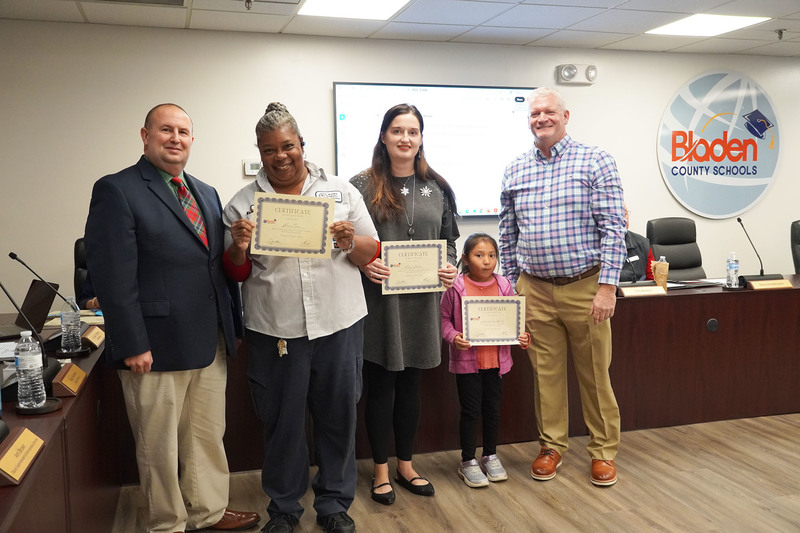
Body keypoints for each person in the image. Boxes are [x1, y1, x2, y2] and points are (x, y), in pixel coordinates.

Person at [84, 103, 260, 532]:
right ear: (145, 135)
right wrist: (131, 343)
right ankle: (166, 523)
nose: (175, 138)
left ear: (192, 140)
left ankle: (208, 511)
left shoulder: (206, 191)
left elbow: (214, 264)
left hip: (209, 340)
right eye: (166, 130)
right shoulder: (117, 189)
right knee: (158, 445)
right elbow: (111, 276)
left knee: (205, 435)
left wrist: (230, 324)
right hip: (154, 346)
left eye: (183, 131)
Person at [223, 103, 379, 533]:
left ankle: (333, 504)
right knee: (283, 424)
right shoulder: (242, 203)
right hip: (276, 330)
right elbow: (234, 271)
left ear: (301, 145)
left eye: (287, 145)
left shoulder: (343, 192)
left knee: (338, 418)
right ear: (260, 152)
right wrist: (238, 246)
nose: (280, 156)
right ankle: (285, 508)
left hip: (338, 323)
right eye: (270, 149)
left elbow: (372, 253)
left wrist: (352, 241)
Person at [499, 87, 626, 487]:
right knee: (545, 374)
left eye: (549, 112)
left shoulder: (596, 160)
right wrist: (511, 287)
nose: (541, 119)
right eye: (535, 113)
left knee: (594, 375)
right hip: (533, 287)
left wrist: (607, 287)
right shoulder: (515, 168)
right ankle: (552, 445)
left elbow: (613, 229)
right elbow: (508, 234)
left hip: (585, 286)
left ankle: (603, 452)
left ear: (566, 115)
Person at [350, 103, 459, 505]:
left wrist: (449, 266)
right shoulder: (360, 185)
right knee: (381, 386)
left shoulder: (438, 186)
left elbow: (450, 240)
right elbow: (346, 241)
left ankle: (406, 465)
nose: (405, 138)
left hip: (421, 304)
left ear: (421, 138)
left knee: (411, 386)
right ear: (383, 136)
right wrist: (364, 264)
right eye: (397, 130)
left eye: (412, 131)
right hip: (379, 303)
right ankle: (380, 470)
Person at [440, 233, 530, 488]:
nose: (487, 261)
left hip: (497, 363)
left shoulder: (504, 285)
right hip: (468, 364)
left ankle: (490, 455)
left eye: (491, 255)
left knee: (492, 411)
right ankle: (467, 461)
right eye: (479, 255)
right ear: (465, 259)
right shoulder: (455, 287)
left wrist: (522, 336)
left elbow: (513, 319)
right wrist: (454, 337)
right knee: (470, 412)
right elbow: (444, 320)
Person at [620, 205, 654, 283]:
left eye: (624, 214)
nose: (623, 219)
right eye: (617, 215)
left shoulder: (642, 243)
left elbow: (652, 280)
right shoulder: (593, 245)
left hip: (637, 293)